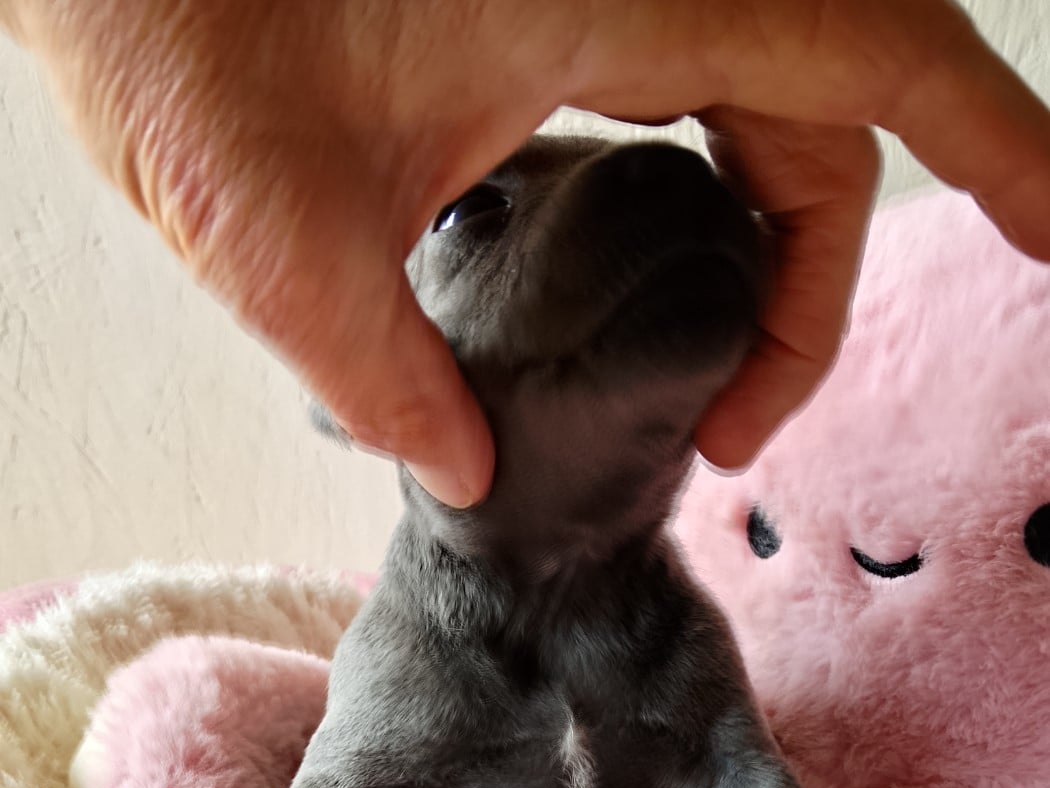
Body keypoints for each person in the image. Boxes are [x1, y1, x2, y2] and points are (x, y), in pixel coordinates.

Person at [3, 0, 1050, 507]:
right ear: (345, 411)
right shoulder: (399, 662)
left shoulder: (683, 643)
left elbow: (738, 776)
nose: (663, 182)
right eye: (469, 211)